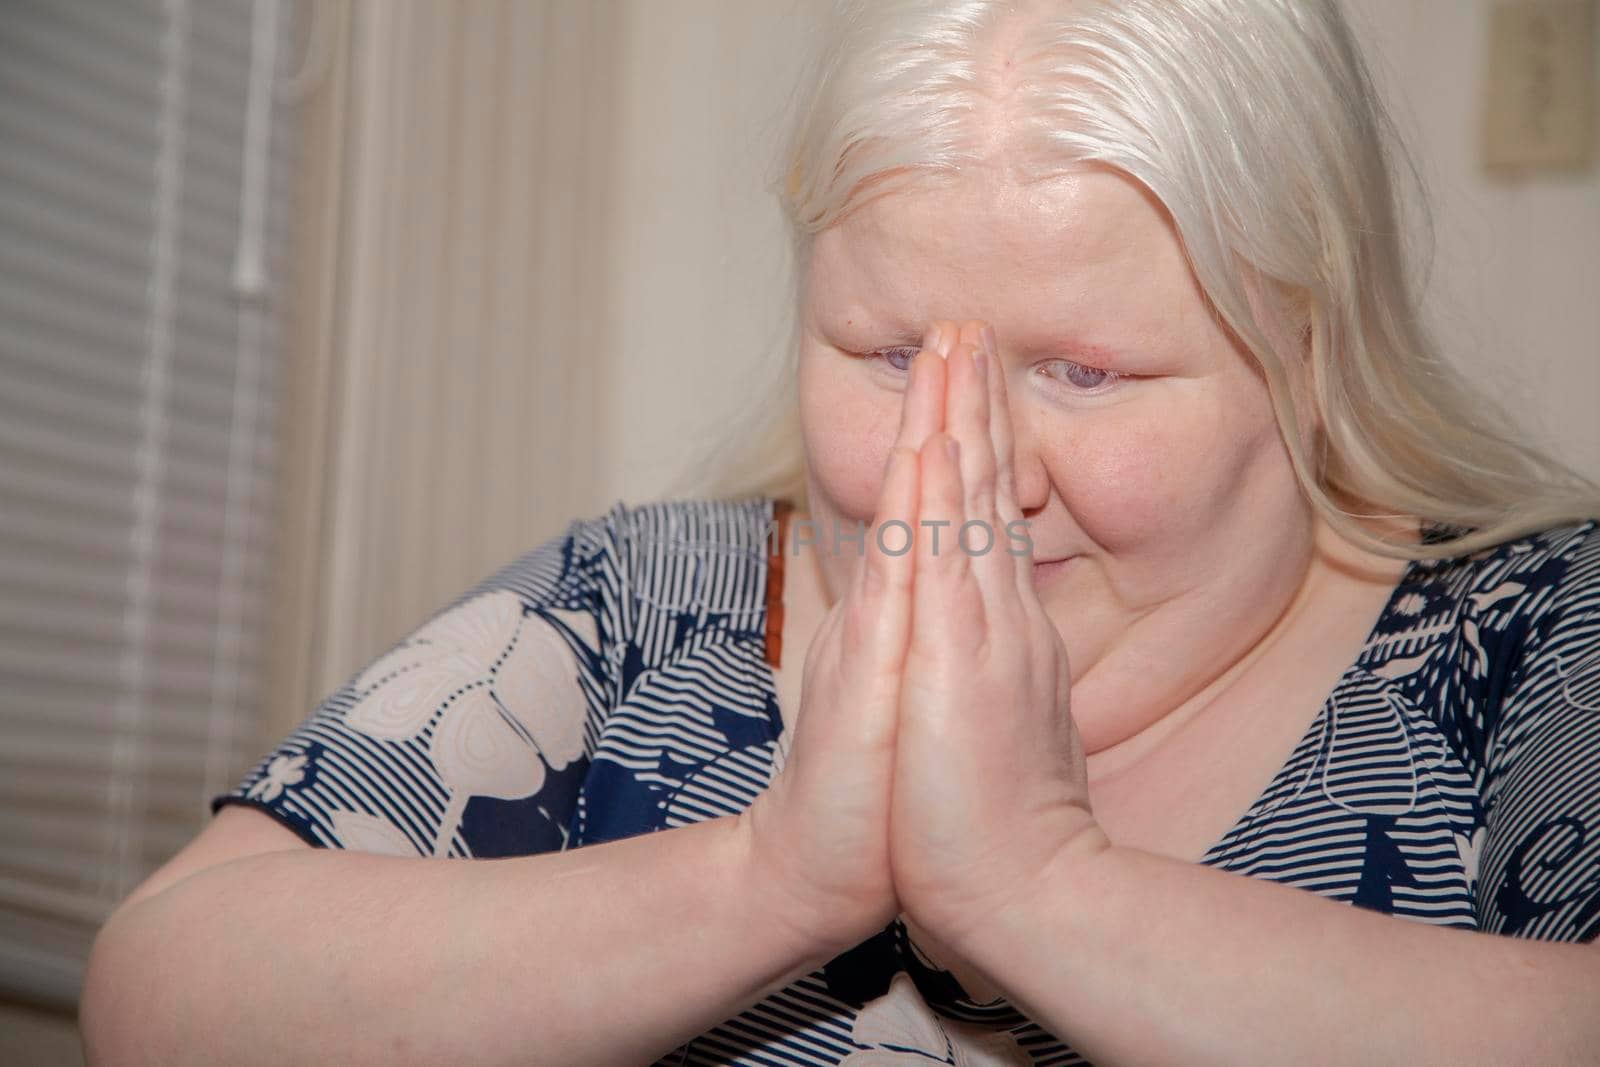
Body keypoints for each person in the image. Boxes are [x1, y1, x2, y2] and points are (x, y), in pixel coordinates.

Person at [82, 1, 1600, 1064]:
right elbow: (161, 999)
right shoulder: (650, 603)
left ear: (1313, 358)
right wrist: (779, 878)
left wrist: (1040, 887)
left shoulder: (1531, 642)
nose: (970, 467)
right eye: (889, 355)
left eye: (1085, 371)